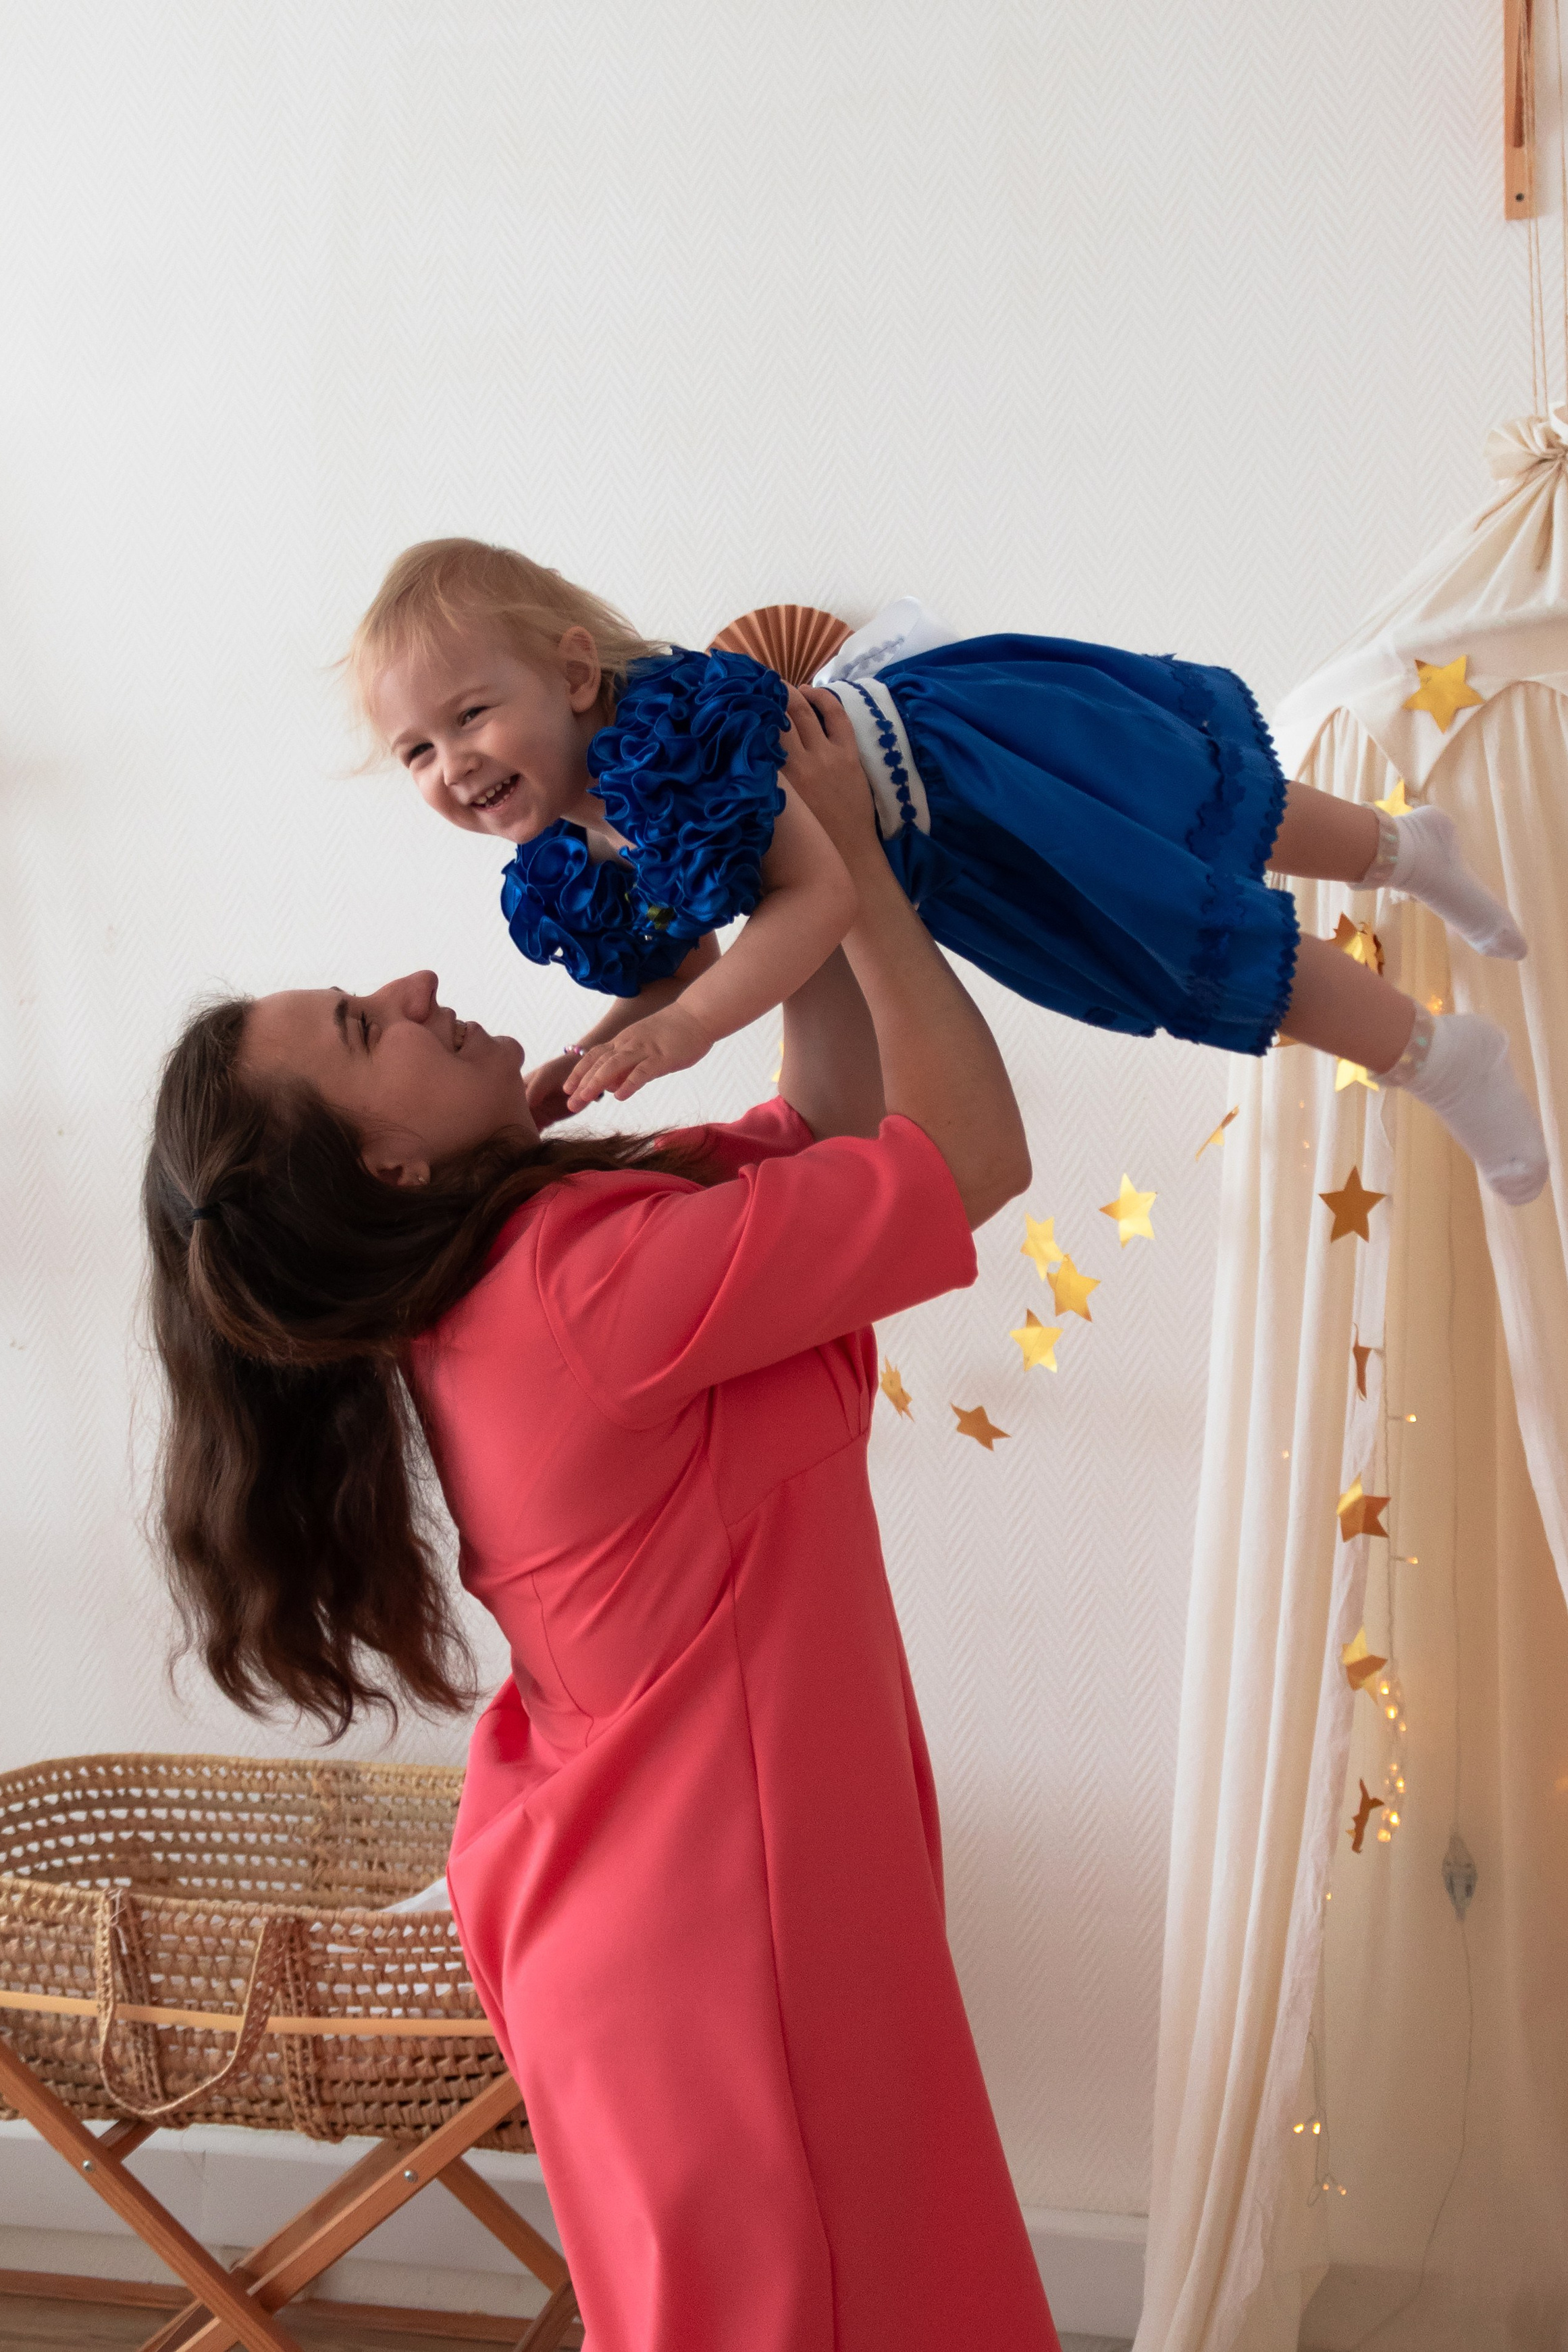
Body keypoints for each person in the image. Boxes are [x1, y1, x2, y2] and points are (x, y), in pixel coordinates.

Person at [142, 688, 1062, 2352]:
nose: (416, 988)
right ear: (388, 1172)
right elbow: (968, 1152)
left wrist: (784, 887)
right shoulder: (581, 1288)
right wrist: (850, 858)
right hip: (721, 1924)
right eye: (365, 1026)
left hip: (683, 1899)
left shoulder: (548, 1250)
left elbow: (834, 1126)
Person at [345, 538, 1547, 1206]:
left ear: (568, 674)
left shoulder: (677, 749)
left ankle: (1403, 858)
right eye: (416, 751)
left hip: (968, 772)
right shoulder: (573, 847)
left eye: (470, 716)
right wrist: (613, 1038)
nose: (453, 766)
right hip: (946, 861)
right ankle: (1435, 1050)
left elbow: (814, 901)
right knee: (1181, 929)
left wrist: (694, 1029)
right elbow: (685, 960)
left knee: (1207, 826)